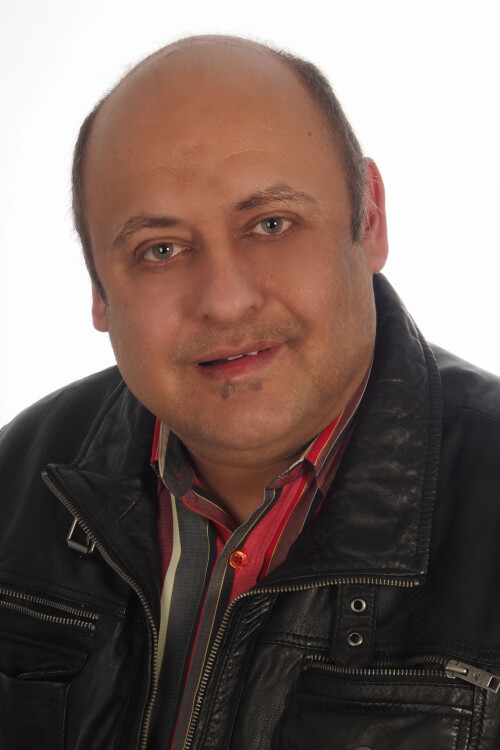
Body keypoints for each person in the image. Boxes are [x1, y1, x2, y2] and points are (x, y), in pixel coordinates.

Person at [1, 34, 500, 750]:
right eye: (160, 249)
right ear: (99, 291)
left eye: (271, 224)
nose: (226, 300)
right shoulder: (17, 476)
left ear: (369, 218)